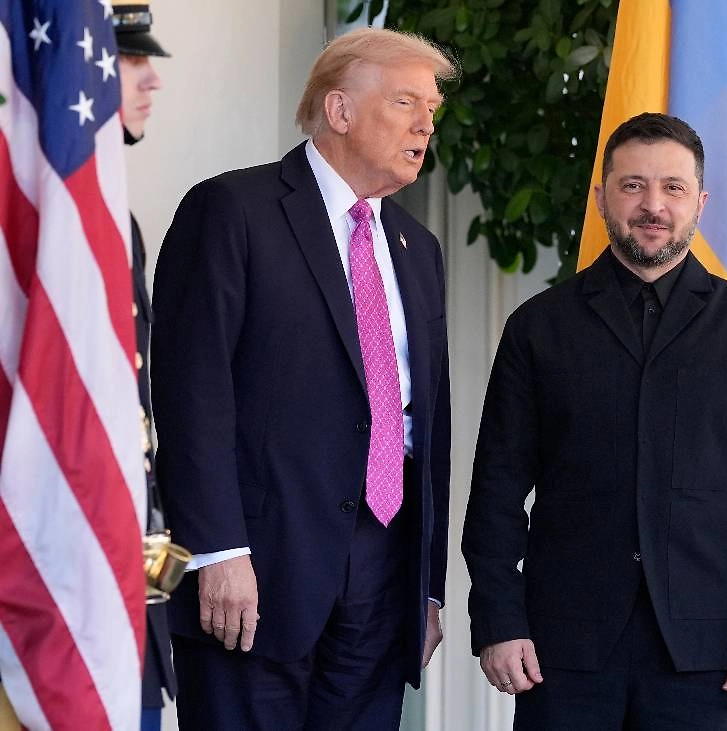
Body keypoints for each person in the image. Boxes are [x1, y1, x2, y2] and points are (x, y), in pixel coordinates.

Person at [462, 112, 727, 730]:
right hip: (560, 652)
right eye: (633, 186)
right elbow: (496, 488)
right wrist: (498, 617)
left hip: (707, 656)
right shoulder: (538, 328)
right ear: (601, 198)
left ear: (700, 202)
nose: (653, 205)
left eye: (673, 187)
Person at [150, 27, 457, 730]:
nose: (425, 124)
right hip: (257, 572)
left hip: (383, 577)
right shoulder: (232, 210)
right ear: (339, 110)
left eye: (432, 109)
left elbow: (426, 423)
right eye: (406, 102)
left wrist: (427, 586)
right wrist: (217, 550)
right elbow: (193, 395)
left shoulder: (417, 248)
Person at [112, 3, 176, 729]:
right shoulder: (37, 216)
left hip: (130, 556)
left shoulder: (118, 221)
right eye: (130, 61)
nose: (151, 79)